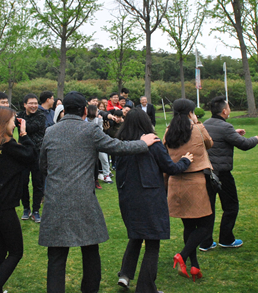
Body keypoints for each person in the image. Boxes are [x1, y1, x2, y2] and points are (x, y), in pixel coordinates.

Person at [38, 91, 161, 293]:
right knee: (90, 249)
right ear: (85, 111)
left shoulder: (50, 132)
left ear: (64, 110)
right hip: (83, 199)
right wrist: (143, 143)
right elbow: (117, 147)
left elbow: (43, 165)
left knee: (56, 256)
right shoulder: (89, 130)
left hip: (55, 199)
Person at [114, 108, 191, 292]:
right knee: (152, 241)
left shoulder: (121, 145)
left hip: (128, 197)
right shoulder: (152, 143)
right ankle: (146, 287)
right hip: (149, 198)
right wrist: (185, 161)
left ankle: (125, 274)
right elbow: (170, 168)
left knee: (136, 235)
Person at [0, 107, 36, 293]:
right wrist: (24, 133)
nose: (15, 124)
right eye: (13, 121)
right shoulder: (7, 145)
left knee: (0, 250)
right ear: (4, 124)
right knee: (16, 252)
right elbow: (30, 156)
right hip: (3, 205)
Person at [200, 96, 258, 251]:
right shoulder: (226, 127)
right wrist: (255, 139)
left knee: (208, 208)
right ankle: (226, 239)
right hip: (222, 174)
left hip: (206, 172)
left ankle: (205, 242)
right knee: (231, 206)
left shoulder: (205, 124)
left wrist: (234, 133)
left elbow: (221, 137)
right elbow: (244, 144)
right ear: (224, 111)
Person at [164, 99, 214, 281]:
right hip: (196, 181)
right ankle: (182, 255)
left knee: (189, 226)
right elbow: (209, 144)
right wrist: (197, 122)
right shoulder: (198, 128)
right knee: (206, 226)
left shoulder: (169, 131)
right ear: (190, 112)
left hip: (176, 182)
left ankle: (194, 266)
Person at [18, 93, 47, 223]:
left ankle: (36, 210)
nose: (34, 106)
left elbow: (31, 128)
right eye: (31, 103)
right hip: (23, 154)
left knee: (38, 183)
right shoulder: (20, 115)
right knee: (23, 182)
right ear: (25, 105)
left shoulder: (41, 116)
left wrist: (22, 125)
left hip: (37, 153)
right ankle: (26, 208)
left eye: (36, 103)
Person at [87, 105, 113, 184]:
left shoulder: (98, 119)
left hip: (98, 141)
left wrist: (100, 121)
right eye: (96, 111)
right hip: (89, 143)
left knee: (104, 158)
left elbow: (100, 131)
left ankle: (106, 175)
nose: (98, 112)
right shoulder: (86, 120)